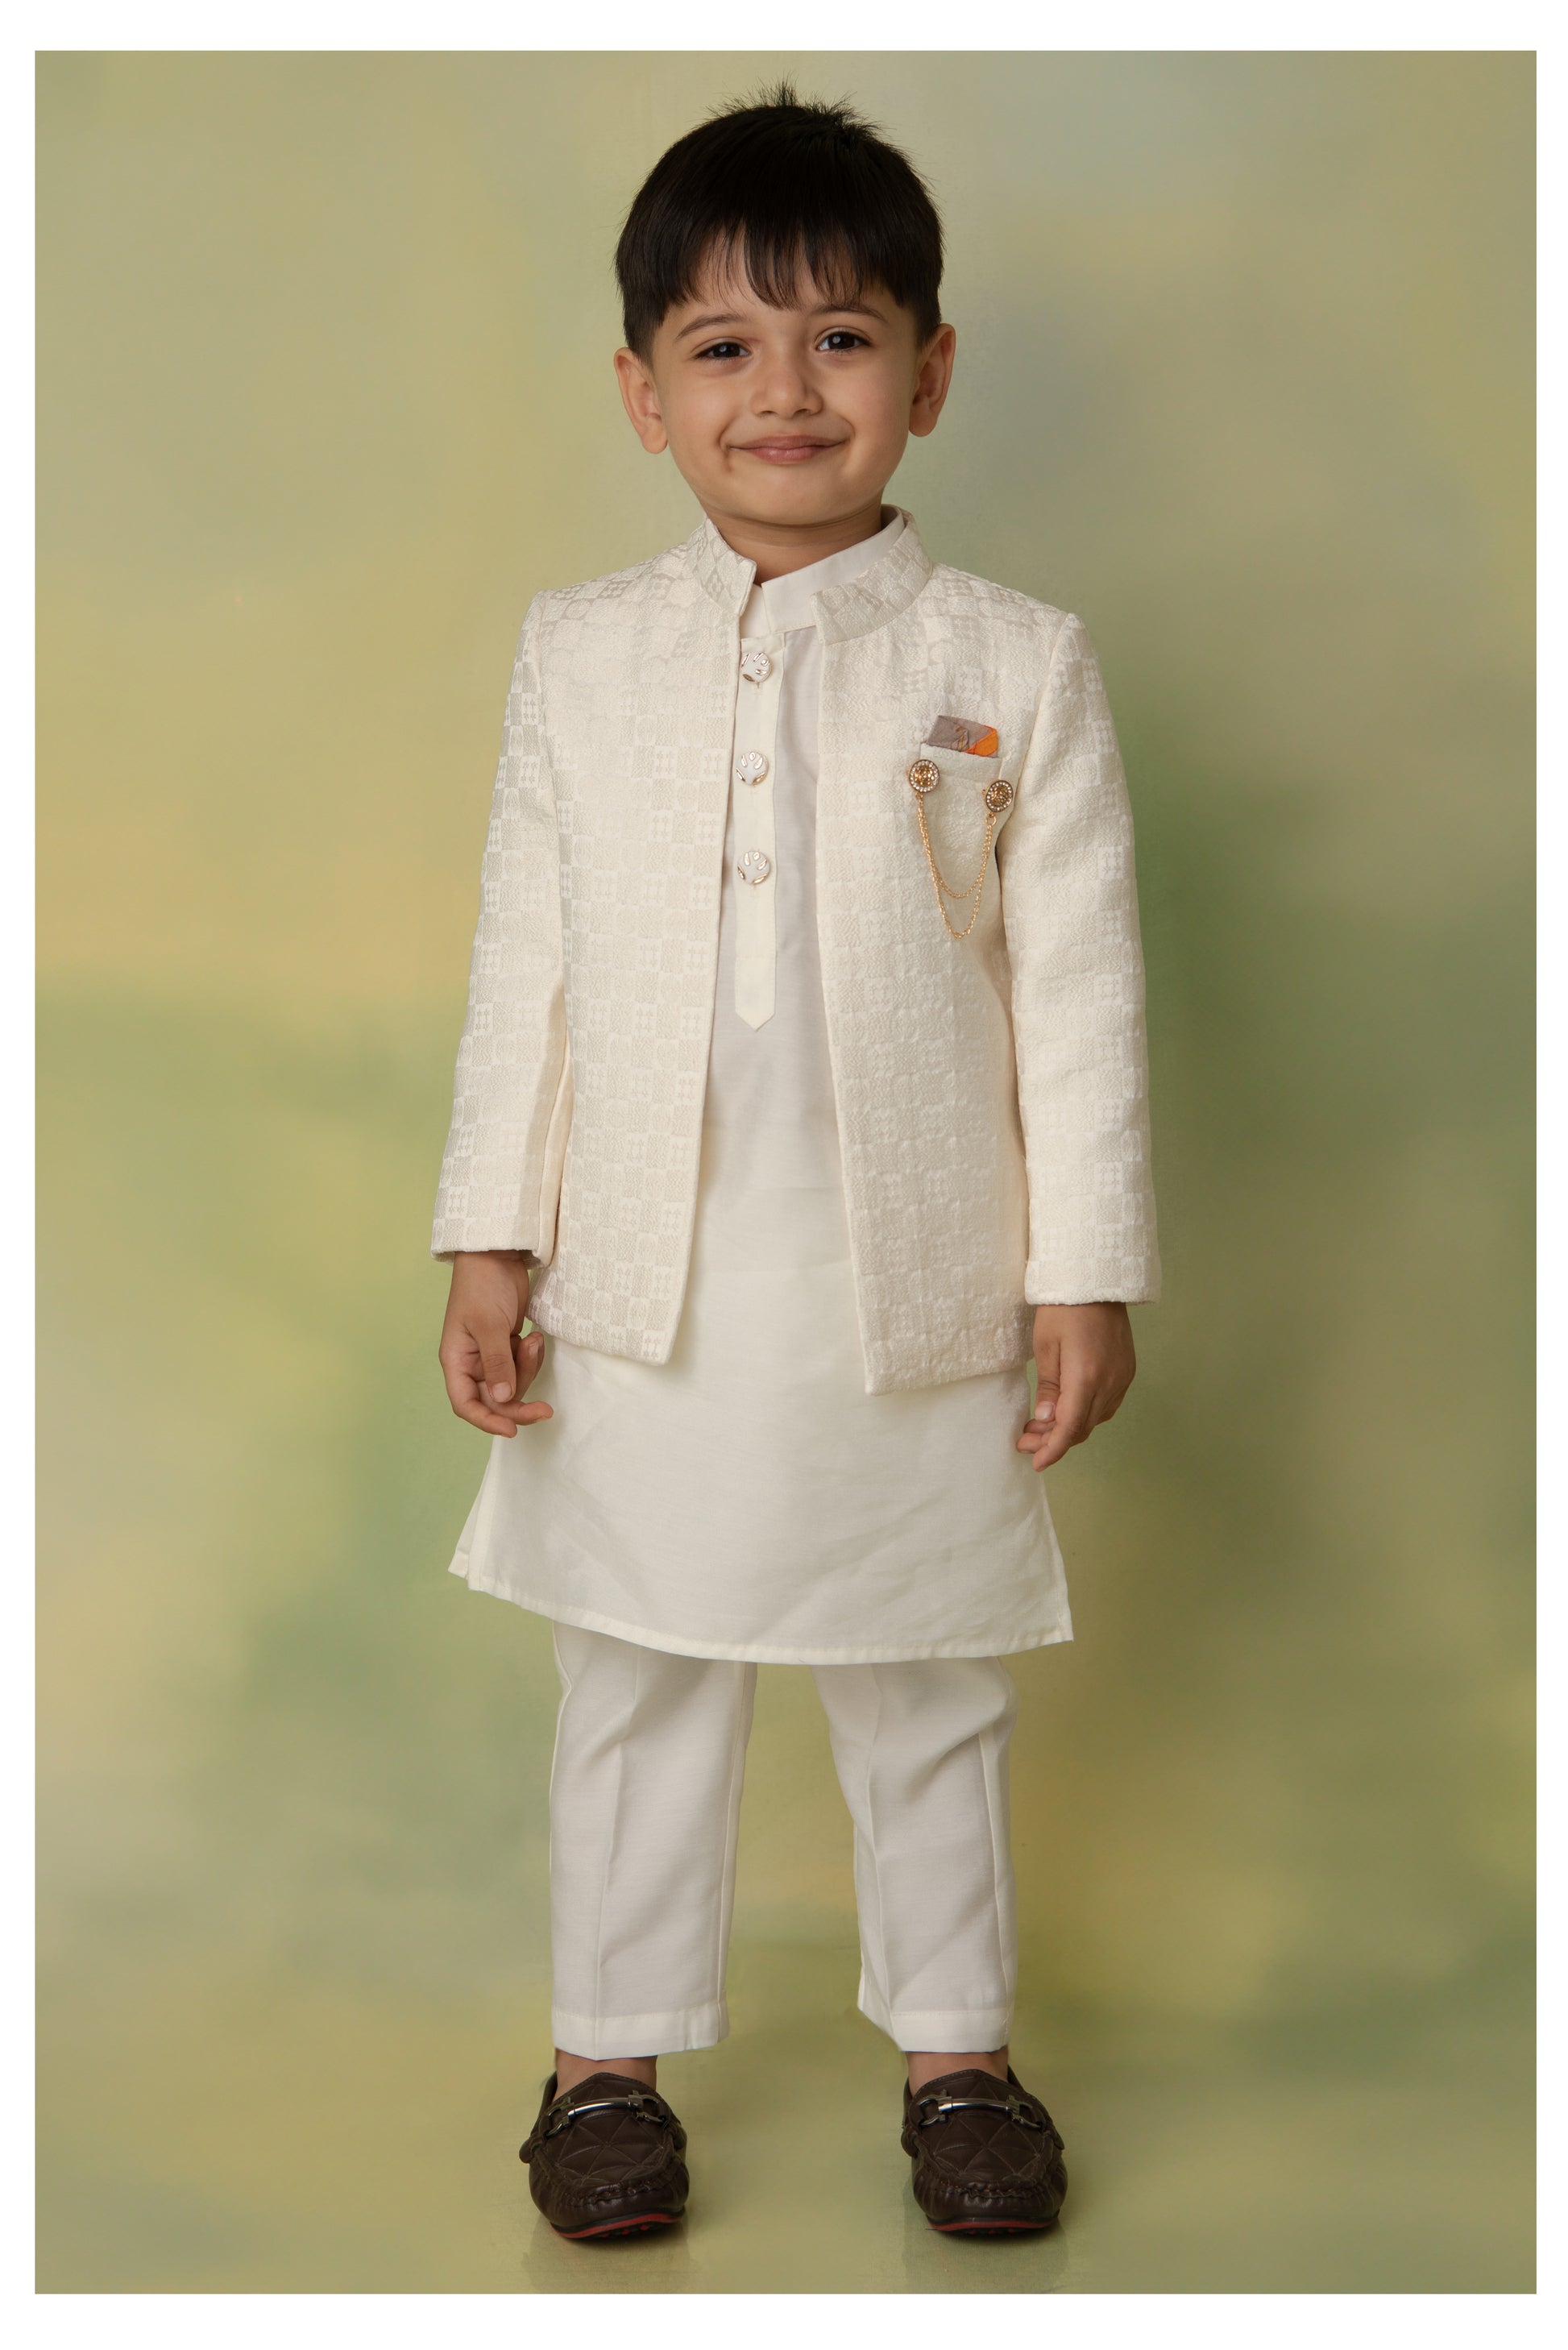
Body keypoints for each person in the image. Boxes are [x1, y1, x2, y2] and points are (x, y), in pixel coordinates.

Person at [432, 81, 1159, 2243]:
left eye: (841, 337)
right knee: (635, 1668)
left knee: (921, 1673)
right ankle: (602, 2065)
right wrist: (490, 1236)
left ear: (927, 376)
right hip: (636, 1275)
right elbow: (530, 962)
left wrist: (1085, 1266)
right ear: (640, 392)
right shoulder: (582, 651)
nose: (783, 390)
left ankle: (958, 2060)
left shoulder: (1010, 662)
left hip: (912, 1270)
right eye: (722, 345)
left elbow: (1078, 990)